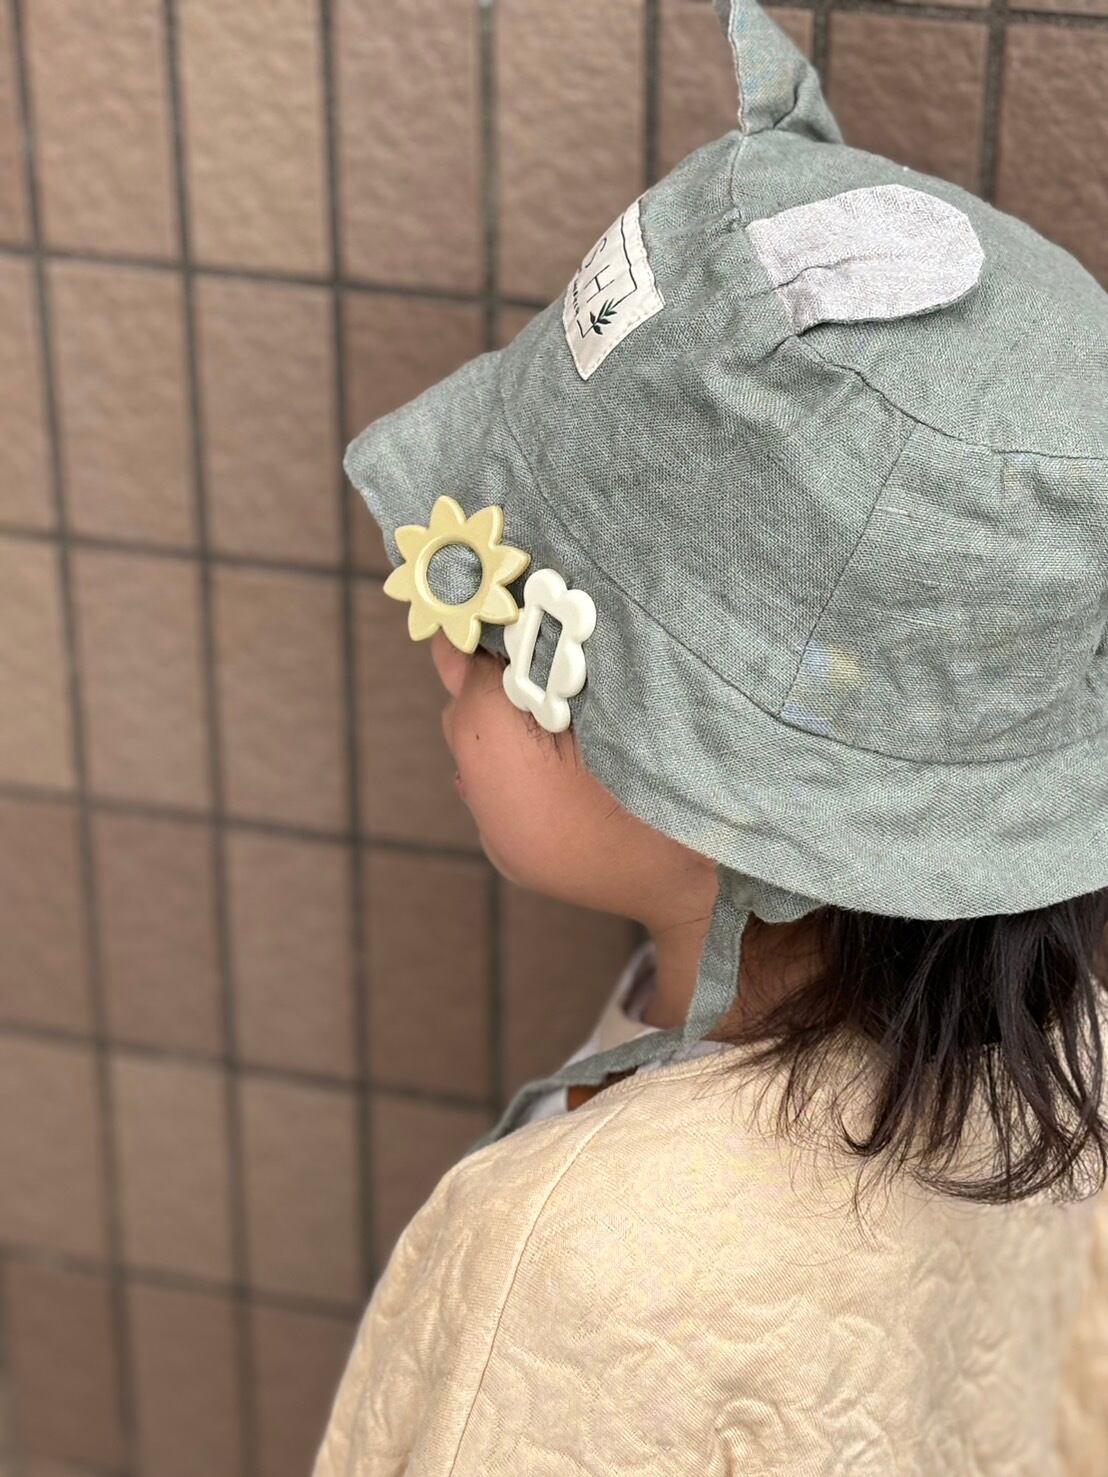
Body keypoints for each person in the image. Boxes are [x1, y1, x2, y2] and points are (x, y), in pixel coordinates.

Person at [313, 1, 1108, 1471]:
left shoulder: (565, 1267)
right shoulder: (1070, 1064)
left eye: (509, 625)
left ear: (761, 797)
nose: (436, 635)